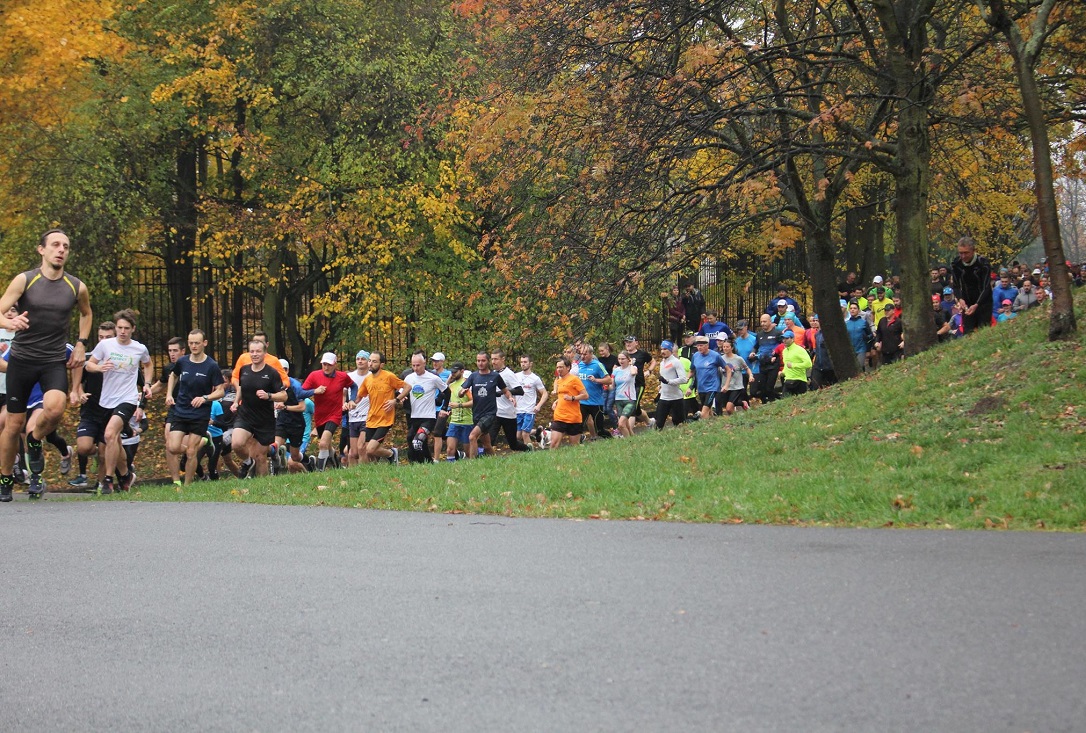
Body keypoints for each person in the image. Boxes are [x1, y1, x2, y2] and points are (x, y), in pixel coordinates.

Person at [0, 229, 93, 502]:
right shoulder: (25, 280)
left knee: (55, 409)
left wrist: (81, 343)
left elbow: (86, 314)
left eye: (65, 245)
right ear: (42, 250)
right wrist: (9, 323)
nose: (61, 249)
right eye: (55, 244)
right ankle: (5, 478)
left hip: (52, 359)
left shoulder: (76, 286)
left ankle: (35, 439)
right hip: (22, 359)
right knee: (13, 423)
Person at [83, 309, 154, 494]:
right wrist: (99, 368)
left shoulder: (139, 348)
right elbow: (88, 364)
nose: (122, 331)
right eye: (120, 327)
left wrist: (147, 383)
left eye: (126, 328)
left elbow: (148, 364)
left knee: (109, 435)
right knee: (116, 441)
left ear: (133, 329)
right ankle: (125, 474)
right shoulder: (106, 345)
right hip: (107, 400)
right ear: (116, 328)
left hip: (128, 398)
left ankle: (108, 480)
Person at [165, 329, 224, 485]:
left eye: (197, 343)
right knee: (172, 447)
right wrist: (169, 394)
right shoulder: (183, 361)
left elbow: (220, 390)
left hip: (200, 414)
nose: (194, 346)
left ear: (204, 343)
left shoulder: (211, 365)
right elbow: (173, 375)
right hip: (181, 410)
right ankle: (205, 442)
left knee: (191, 451)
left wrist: (205, 398)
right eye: (191, 343)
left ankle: (186, 485)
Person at [68, 320, 116, 491]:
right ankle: (98, 455)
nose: (103, 341)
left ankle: (102, 486)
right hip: (90, 410)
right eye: (101, 337)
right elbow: (78, 382)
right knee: (83, 447)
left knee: (105, 454)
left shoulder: (121, 358)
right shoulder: (89, 359)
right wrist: (79, 392)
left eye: (108, 337)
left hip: (110, 413)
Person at [231, 339, 288, 477]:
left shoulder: (272, 373)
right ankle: (247, 461)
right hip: (245, 415)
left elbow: (284, 396)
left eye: (258, 351)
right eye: (252, 351)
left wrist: (269, 396)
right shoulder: (244, 370)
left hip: (264, 419)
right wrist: (235, 401)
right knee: (237, 444)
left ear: (264, 353)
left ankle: (263, 488)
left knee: (260, 456)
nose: (255, 354)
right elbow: (241, 388)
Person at [302, 352, 356, 470]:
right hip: (320, 415)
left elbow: (354, 386)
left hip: (334, 415)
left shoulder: (342, 377)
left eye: (329, 365)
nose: (326, 367)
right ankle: (336, 465)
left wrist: (351, 400)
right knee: (327, 445)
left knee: (322, 444)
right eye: (324, 364)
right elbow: (301, 392)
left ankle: (320, 471)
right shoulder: (314, 375)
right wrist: (314, 391)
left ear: (335, 364)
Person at [458, 352, 515, 458]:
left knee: (472, 436)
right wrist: (462, 392)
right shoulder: (473, 376)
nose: (480, 363)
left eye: (483, 360)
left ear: (488, 361)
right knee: (487, 445)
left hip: (490, 414)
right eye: (478, 361)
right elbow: (461, 393)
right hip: (476, 414)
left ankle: (472, 464)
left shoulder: (495, 376)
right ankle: (497, 462)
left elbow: (505, 391)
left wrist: (511, 397)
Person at [356, 351, 406, 464]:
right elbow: (359, 396)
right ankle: (387, 458)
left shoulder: (389, 376)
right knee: (368, 451)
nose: (370, 364)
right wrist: (351, 403)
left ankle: (392, 454)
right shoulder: (367, 379)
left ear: (381, 364)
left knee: (370, 449)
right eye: (369, 361)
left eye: (374, 361)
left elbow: (407, 387)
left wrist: (396, 400)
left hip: (385, 419)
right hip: (371, 419)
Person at [401, 352, 448, 464]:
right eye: (413, 365)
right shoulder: (409, 377)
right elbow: (401, 392)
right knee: (411, 438)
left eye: (418, 365)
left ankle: (421, 465)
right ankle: (427, 463)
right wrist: (401, 398)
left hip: (429, 417)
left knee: (417, 442)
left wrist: (444, 407)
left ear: (424, 363)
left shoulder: (433, 378)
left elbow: (447, 391)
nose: (416, 368)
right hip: (415, 416)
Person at [951, 236, 994, 333]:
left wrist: (977, 304)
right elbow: (956, 285)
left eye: (966, 253)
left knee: (984, 331)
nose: (963, 256)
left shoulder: (983, 263)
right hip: (967, 302)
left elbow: (986, 286)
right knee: (968, 332)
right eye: (960, 253)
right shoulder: (956, 263)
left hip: (983, 302)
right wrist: (960, 298)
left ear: (973, 251)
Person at [490, 350, 531, 451]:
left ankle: (528, 449)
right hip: (495, 412)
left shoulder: (508, 374)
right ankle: (482, 461)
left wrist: (502, 392)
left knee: (513, 444)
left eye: (496, 359)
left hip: (508, 413)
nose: (493, 362)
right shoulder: (492, 373)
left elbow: (520, 390)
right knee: (489, 440)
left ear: (503, 359)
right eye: (492, 359)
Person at [549, 356, 588, 449]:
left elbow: (585, 395)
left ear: (568, 367)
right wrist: (556, 401)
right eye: (557, 367)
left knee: (575, 447)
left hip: (573, 417)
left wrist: (572, 398)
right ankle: (552, 463)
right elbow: (562, 396)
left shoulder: (574, 379)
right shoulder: (558, 381)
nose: (559, 369)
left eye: (561, 367)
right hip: (559, 417)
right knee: (553, 444)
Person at [577, 344, 612, 440]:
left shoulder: (597, 365)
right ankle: (577, 446)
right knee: (578, 427)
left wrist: (596, 380)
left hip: (596, 402)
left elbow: (609, 380)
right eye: (581, 354)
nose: (583, 356)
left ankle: (611, 440)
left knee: (600, 430)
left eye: (585, 354)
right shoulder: (579, 365)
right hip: (582, 402)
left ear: (591, 354)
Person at [690, 335, 727, 419]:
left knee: (703, 412)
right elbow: (692, 370)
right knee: (707, 411)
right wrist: (687, 379)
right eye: (697, 345)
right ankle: (713, 424)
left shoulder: (715, 356)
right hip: (701, 387)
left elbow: (727, 369)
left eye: (701, 345)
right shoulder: (695, 356)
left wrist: (726, 384)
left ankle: (704, 425)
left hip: (712, 387)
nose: (699, 347)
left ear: (707, 345)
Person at [515, 355, 548, 448]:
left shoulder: (535, 378)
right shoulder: (516, 376)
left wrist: (539, 406)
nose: (523, 364)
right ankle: (538, 432)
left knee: (525, 434)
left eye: (525, 362)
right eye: (521, 362)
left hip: (529, 410)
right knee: (518, 436)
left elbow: (545, 394)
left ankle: (529, 453)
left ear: (530, 364)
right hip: (518, 410)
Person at [655, 340, 688, 428]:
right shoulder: (662, 363)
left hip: (676, 398)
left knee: (678, 424)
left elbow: (684, 379)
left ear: (670, 350)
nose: (662, 351)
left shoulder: (676, 362)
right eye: (661, 349)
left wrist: (668, 381)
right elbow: (664, 378)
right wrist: (660, 386)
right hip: (664, 397)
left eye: (665, 349)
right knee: (658, 424)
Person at [444, 362, 472, 460]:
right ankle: (450, 469)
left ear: (462, 371)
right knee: (450, 449)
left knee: (469, 452)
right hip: (454, 421)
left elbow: (474, 402)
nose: (453, 374)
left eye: (455, 372)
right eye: (452, 372)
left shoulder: (467, 384)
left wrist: (459, 405)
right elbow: (442, 391)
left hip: (467, 421)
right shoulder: (451, 386)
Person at [752, 314, 782, 403]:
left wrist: (776, 355)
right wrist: (753, 352)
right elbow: (756, 346)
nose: (762, 323)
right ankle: (768, 402)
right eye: (761, 321)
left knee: (769, 387)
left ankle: (772, 402)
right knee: (762, 388)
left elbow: (783, 346)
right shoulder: (759, 335)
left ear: (770, 321)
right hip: (762, 363)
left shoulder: (777, 333)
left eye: (764, 321)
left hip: (773, 364)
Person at [718, 339, 752, 414]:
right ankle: (742, 404)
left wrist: (750, 376)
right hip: (725, 386)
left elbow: (747, 368)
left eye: (727, 347)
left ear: (732, 348)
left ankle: (737, 420)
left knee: (729, 408)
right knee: (728, 406)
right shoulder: (720, 359)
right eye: (724, 347)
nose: (725, 348)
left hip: (736, 386)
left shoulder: (738, 359)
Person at [610, 351, 638, 437]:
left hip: (629, 399)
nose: (620, 361)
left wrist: (631, 364)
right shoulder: (616, 371)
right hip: (618, 399)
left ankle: (628, 443)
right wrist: (607, 386)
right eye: (619, 359)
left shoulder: (633, 368)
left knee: (621, 424)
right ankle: (635, 441)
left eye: (623, 359)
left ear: (628, 359)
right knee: (627, 426)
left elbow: (634, 373)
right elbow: (612, 386)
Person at [780, 330, 813, 397]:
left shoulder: (799, 350)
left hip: (799, 380)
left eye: (787, 338)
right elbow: (787, 365)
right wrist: (783, 372)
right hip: (788, 380)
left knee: (800, 403)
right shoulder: (784, 351)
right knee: (785, 402)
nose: (784, 340)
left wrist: (793, 365)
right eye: (783, 338)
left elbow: (808, 364)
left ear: (792, 339)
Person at [845, 302, 875, 372]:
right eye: (851, 308)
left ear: (858, 310)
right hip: (850, 349)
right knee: (852, 369)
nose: (852, 310)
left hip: (861, 348)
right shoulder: (846, 323)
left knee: (860, 366)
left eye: (855, 308)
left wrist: (867, 338)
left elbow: (871, 335)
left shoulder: (863, 322)